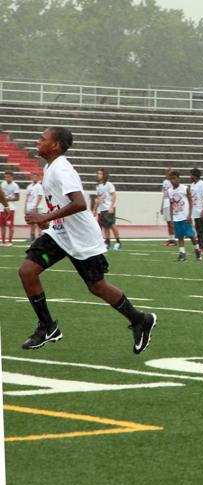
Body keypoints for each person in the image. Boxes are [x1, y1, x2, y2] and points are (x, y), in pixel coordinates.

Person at [19, 127, 156, 353]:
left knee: (97, 286)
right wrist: (49, 220)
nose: (37, 141)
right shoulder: (51, 167)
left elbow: (79, 203)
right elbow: (62, 202)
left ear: (55, 145)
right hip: (60, 235)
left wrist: (44, 216)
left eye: (42, 138)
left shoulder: (61, 168)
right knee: (27, 271)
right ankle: (47, 327)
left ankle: (140, 320)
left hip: (82, 239)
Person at [167, 171, 201, 262]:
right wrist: (171, 219)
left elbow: (190, 202)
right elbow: (171, 205)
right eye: (171, 179)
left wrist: (189, 215)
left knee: (191, 236)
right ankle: (182, 254)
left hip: (185, 217)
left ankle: (197, 250)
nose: (173, 181)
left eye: (174, 178)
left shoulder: (185, 188)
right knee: (180, 237)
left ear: (178, 178)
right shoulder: (170, 191)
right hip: (176, 217)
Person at [93, 168, 122, 251]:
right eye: (98, 173)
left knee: (112, 225)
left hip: (108, 208)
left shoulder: (109, 185)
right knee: (105, 227)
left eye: (100, 173)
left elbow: (114, 195)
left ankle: (118, 242)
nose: (98, 175)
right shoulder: (98, 186)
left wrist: (111, 206)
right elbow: (98, 199)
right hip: (102, 209)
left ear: (104, 175)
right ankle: (107, 243)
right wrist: (95, 209)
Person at [189, 168, 203, 254]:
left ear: (195, 176)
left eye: (191, 175)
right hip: (196, 211)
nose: (190, 176)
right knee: (198, 230)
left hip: (202, 210)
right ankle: (199, 247)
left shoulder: (202, 184)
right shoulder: (192, 185)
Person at [1, 170, 20, 246]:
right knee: (2, 225)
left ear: (12, 177)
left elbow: (17, 198)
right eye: (5, 177)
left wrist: (8, 199)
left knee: (10, 225)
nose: (6, 178)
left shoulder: (15, 186)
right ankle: (2, 241)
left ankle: (10, 241)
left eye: (8, 177)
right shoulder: (2, 184)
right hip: (2, 207)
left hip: (11, 207)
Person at [24, 172, 44, 241]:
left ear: (38, 178)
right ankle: (32, 236)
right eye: (33, 176)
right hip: (30, 206)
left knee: (39, 222)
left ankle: (40, 236)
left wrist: (36, 206)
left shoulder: (39, 186)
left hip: (37, 207)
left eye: (36, 177)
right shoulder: (29, 186)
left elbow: (40, 197)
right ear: (32, 177)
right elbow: (27, 198)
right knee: (31, 222)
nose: (34, 178)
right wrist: (25, 207)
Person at [160, 167, 176, 246]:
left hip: (170, 204)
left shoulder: (174, 182)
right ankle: (170, 239)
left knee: (171, 222)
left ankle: (173, 240)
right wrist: (161, 206)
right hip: (166, 203)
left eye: (168, 172)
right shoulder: (165, 182)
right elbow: (164, 195)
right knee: (168, 222)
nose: (167, 174)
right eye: (166, 172)